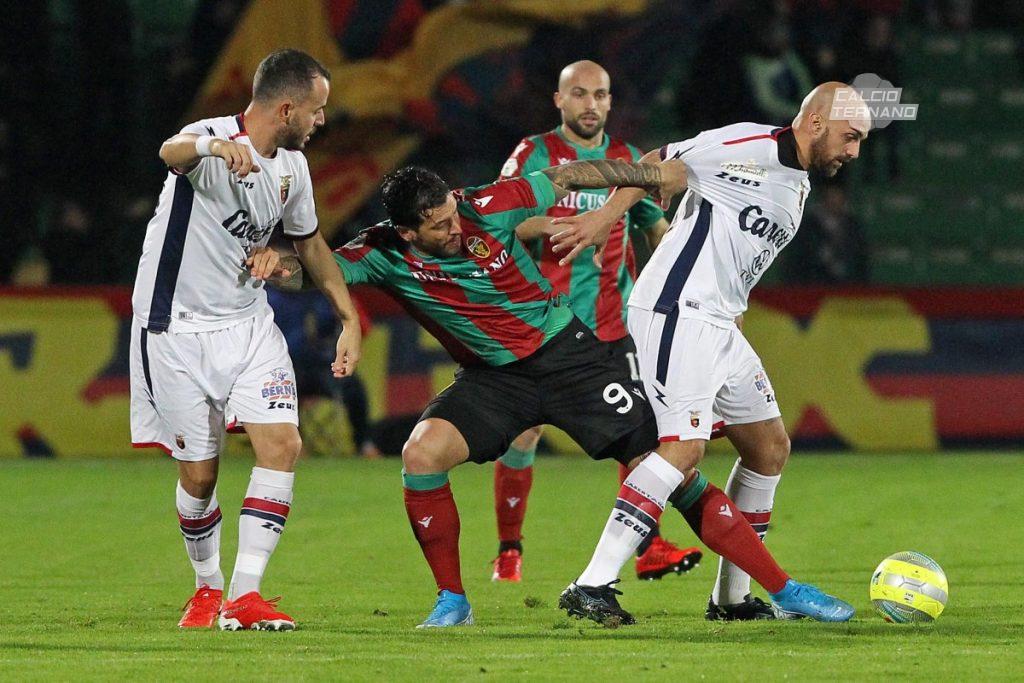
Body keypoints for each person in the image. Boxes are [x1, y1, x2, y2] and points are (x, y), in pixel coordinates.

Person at [551, 82, 869, 623]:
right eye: (851, 136)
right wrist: (606, 218)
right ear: (815, 123)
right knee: (682, 450)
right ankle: (591, 583)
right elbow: (658, 161)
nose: (854, 151)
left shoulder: (797, 183)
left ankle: (730, 598)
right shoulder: (746, 145)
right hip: (677, 310)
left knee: (768, 448)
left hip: (720, 322)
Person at [326, 158, 687, 627]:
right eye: (439, 225)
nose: (455, 228)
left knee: (667, 461)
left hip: (567, 355)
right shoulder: (380, 251)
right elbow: (318, 269)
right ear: (408, 233)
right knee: (421, 454)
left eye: (452, 212)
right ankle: (454, 600)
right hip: (494, 380)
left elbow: (566, 176)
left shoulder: (486, 204)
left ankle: (752, 588)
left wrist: (647, 176)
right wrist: (280, 261)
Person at [130, 49, 363, 631]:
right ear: (287, 108)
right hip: (175, 329)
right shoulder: (208, 138)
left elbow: (309, 247)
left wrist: (347, 317)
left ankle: (245, 595)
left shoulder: (294, 170)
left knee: (283, 445)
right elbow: (170, 152)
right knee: (200, 478)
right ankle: (206, 590)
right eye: (317, 111)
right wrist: (212, 147)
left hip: (249, 325)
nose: (321, 122)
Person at [490, 60, 700, 583]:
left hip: (613, 325)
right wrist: (566, 224)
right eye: (579, 94)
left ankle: (649, 548)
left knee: (640, 436)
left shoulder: (629, 159)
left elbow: (655, 227)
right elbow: (499, 218)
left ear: (611, 102)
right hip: (546, 323)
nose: (590, 104)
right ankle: (509, 550)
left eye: (600, 95)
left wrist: (677, 282)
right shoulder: (534, 154)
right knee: (525, 434)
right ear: (558, 101)